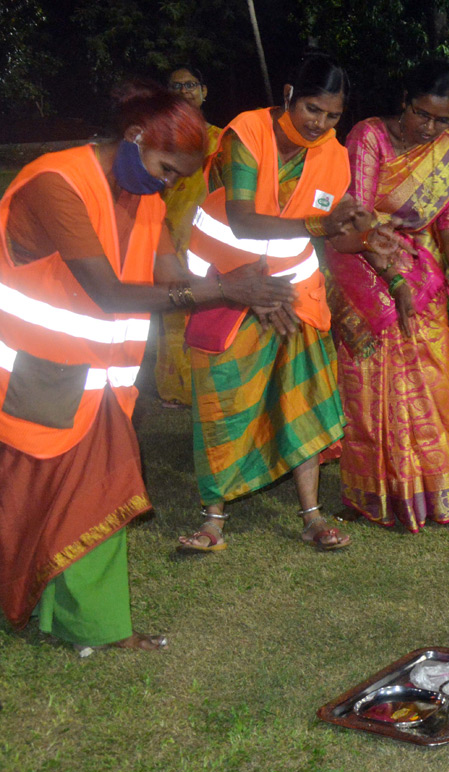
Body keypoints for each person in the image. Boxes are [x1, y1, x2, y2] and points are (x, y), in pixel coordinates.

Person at [0, 83, 291, 651]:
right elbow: (109, 294)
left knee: (89, 498)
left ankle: (93, 628)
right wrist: (223, 290)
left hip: (96, 382)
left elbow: (170, 277)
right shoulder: (57, 184)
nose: (168, 185)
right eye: (165, 169)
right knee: (30, 499)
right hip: (38, 373)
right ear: (134, 138)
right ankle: (72, 617)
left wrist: (238, 291)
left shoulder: (147, 199)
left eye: (179, 178)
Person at [180, 53, 373, 552]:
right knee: (225, 398)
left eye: (333, 116)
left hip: (293, 292)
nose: (320, 124)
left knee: (299, 399)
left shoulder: (334, 155)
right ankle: (212, 520)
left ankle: (312, 517)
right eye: (312, 109)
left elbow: (332, 233)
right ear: (289, 93)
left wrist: (370, 236)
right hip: (227, 281)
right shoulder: (247, 132)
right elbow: (244, 218)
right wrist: (318, 229)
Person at [323, 60, 449, 532]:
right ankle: (374, 494)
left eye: (442, 120)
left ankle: (438, 494)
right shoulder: (368, 136)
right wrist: (390, 277)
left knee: (434, 380)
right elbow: (358, 217)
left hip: (422, 273)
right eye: (421, 115)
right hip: (363, 264)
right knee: (370, 387)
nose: (430, 128)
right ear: (404, 102)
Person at [156, 65, 222, 408]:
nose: (184, 91)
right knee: (173, 308)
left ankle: (209, 382)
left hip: (209, 237)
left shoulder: (221, 139)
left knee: (209, 306)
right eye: (176, 86)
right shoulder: (159, 140)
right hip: (168, 234)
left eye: (190, 84)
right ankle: (176, 389)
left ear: (204, 91)